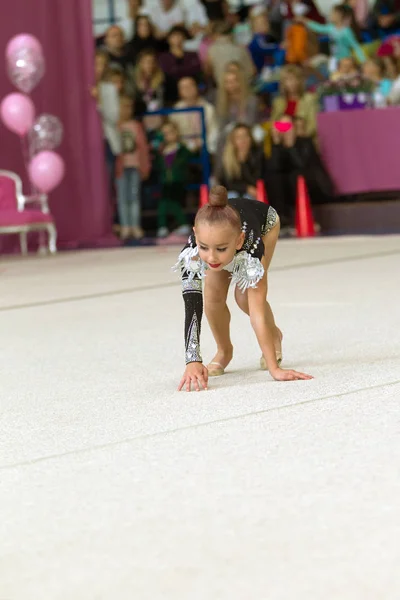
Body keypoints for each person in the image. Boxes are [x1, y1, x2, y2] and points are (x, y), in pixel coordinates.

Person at [173, 185, 313, 391]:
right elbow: (192, 306)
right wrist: (192, 360)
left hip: (264, 224)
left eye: (220, 249)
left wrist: (274, 369)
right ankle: (224, 350)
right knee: (212, 298)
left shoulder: (251, 247)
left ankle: (274, 336)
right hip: (230, 232)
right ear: (195, 235)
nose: (211, 257)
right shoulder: (192, 253)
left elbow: (256, 311)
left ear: (239, 240)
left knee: (244, 297)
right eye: (204, 247)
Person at [116, 95, 151, 240]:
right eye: (123, 107)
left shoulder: (136, 126)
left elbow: (143, 147)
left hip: (135, 166)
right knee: (122, 197)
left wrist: (145, 166)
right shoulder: (116, 126)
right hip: (121, 167)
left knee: (134, 196)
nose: (126, 110)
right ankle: (125, 226)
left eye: (129, 107)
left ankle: (135, 225)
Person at [154, 120, 193, 237]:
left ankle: (180, 224)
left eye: (170, 132)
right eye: (164, 133)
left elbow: (186, 158)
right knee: (163, 203)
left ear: (176, 133)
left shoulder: (181, 149)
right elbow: (158, 165)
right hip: (165, 182)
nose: (168, 136)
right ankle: (163, 226)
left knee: (172, 202)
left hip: (178, 181)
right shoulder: (161, 151)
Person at [301, 4, 366, 67]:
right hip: (334, 58)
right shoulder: (331, 28)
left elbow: (355, 45)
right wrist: (306, 21)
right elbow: (319, 28)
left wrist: (363, 61)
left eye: (333, 13)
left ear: (340, 15)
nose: (330, 15)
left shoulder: (346, 31)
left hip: (345, 58)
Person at [170, 76, 219, 154]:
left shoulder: (208, 108)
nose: (188, 89)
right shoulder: (176, 111)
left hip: (206, 149)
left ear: (196, 87)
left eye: (190, 85)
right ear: (179, 92)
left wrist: (203, 143)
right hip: (184, 150)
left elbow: (214, 131)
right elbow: (173, 134)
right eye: (184, 87)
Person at [216, 123, 266, 198]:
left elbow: (257, 180)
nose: (243, 140)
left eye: (246, 136)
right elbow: (227, 184)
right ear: (233, 141)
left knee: (247, 197)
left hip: (254, 195)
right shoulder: (228, 158)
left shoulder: (258, 155)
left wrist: (244, 162)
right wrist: (246, 188)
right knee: (232, 196)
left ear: (251, 138)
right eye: (239, 137)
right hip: (234, 195)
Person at [270, 65, 318, 139]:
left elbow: (313, 125)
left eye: (293, 79)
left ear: (299, 81)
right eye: (287, 80)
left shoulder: (309, 99)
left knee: (298, 123)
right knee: (284, 120)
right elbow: (273, 123)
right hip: (283, 137)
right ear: (283, 83)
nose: (291, 83)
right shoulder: (278, 102)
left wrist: (301, 132)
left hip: (303, 136)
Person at [159, 25, 202, 104]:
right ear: (168, 39)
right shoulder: (163, 57)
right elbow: (169, 73)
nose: (177, 39)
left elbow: (197, 71)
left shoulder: (192, 55)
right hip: (171, 95)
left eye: (180, 35)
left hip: (192, 94)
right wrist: (187, 70)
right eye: (174, 36)